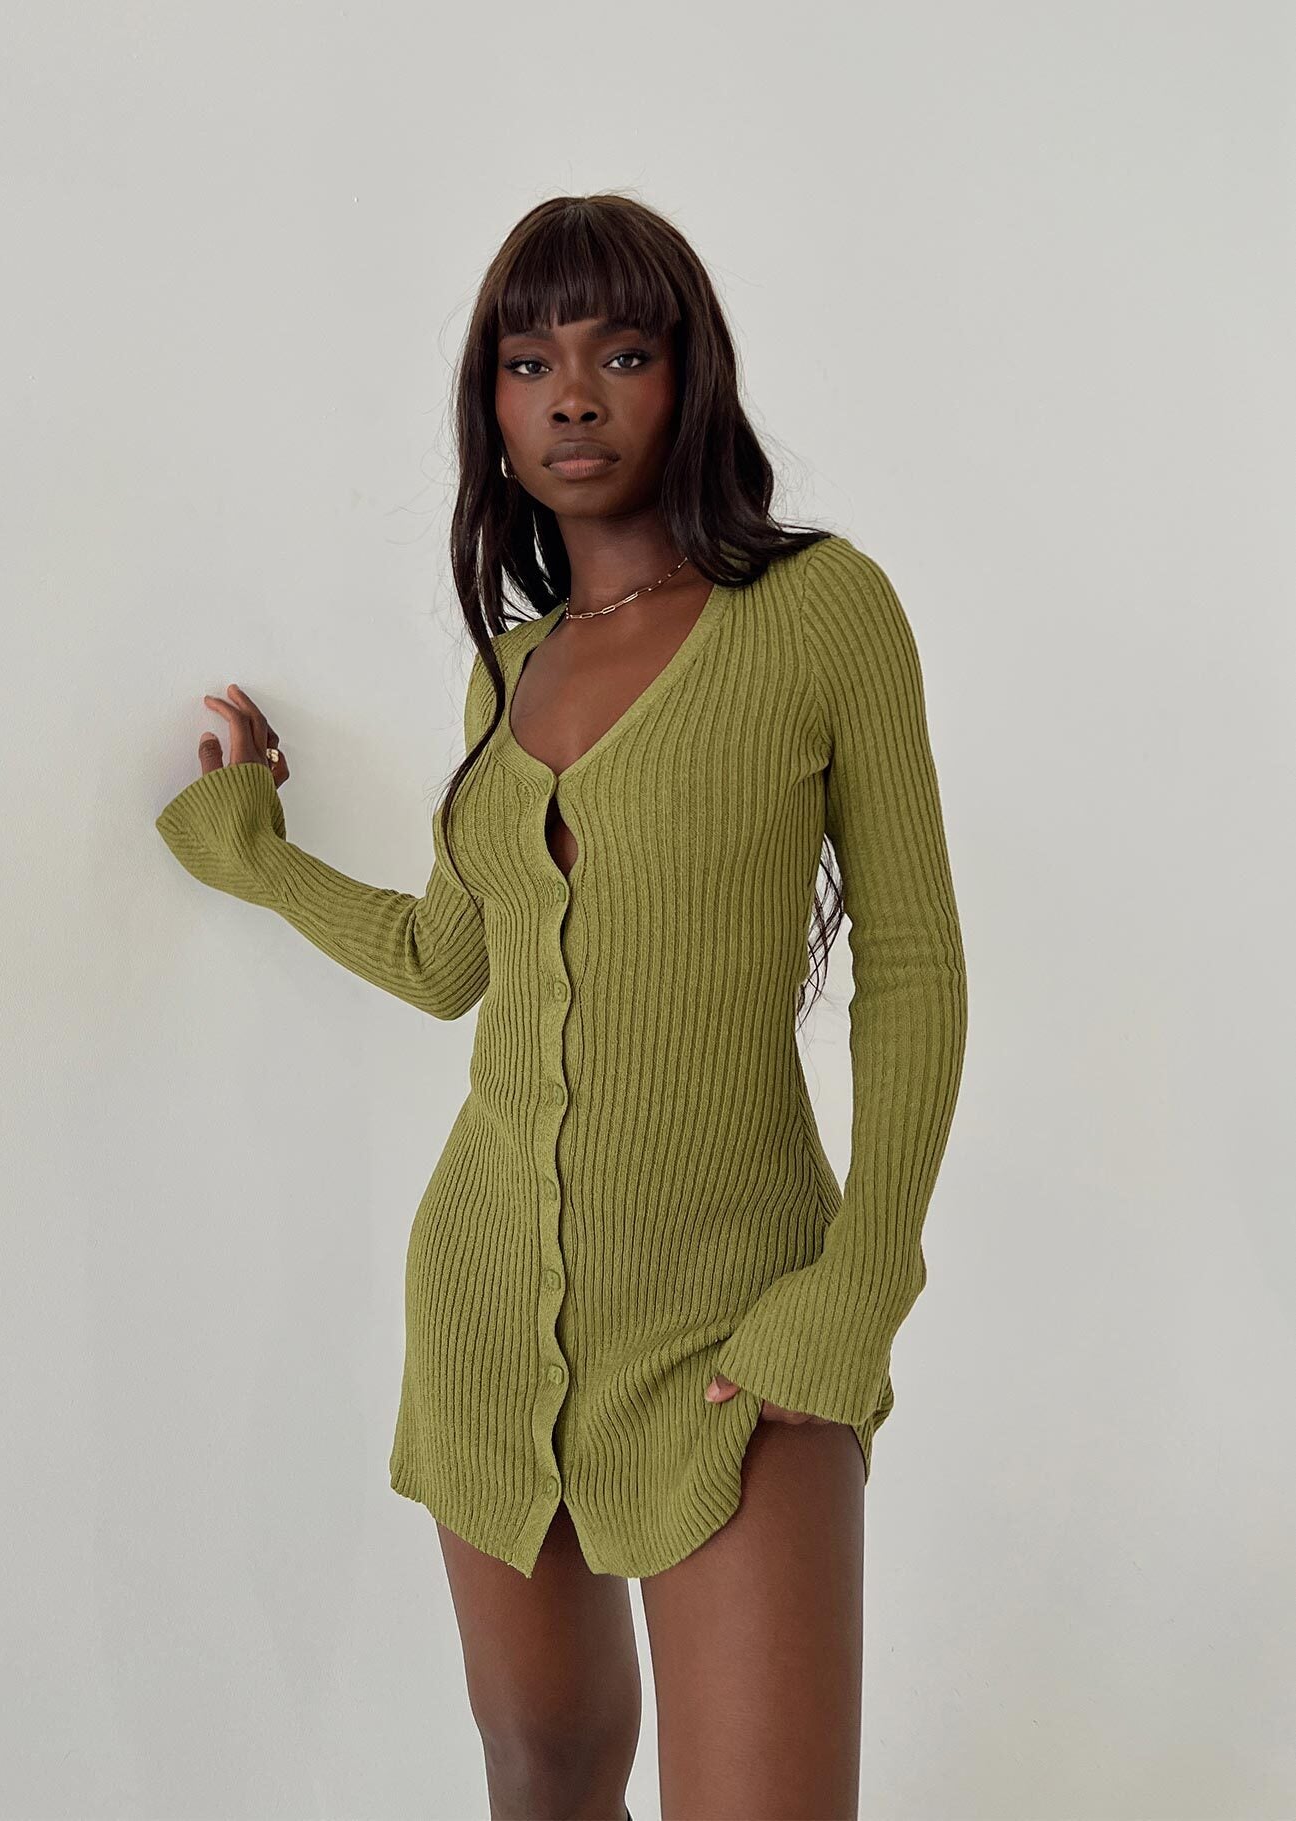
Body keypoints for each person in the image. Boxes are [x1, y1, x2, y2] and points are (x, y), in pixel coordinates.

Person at [155, 192, 968, 1821]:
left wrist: (861, 1282)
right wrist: (255, 854)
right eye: (528, 362)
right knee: (544, 1771)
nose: (573, 396)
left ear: (690, 378)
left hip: (743, 1315)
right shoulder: (508, 670)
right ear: (492, 406)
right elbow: (446, 962)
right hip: (486, 1312)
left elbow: (915, 964)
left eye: (621, 354)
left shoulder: (821, 609)